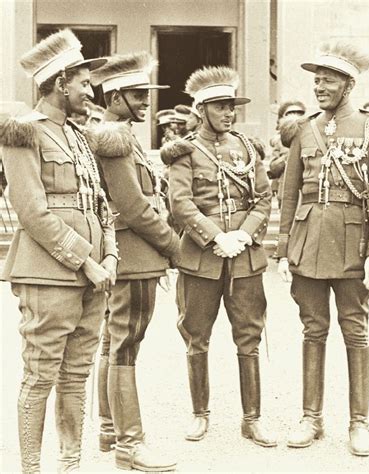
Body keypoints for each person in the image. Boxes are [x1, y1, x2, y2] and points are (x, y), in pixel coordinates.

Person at [276, 40, 369, 455]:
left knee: (355, 330)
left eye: (328, 81)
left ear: (349, 85)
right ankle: (311, 418)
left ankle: (359, 422)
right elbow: (290, 191)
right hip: (308, 243)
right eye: (316, 81)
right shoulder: (303, 129)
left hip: (354, 245)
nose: (319, 87)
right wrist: (283, 248)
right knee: (313, 329)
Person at [0, 29, 117, 473]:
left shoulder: (81, 136)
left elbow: (101, 203)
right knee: (40, 374)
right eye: (84, 83)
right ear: (60, 82)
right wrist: (85, 260)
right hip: (49, 273)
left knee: (76, 375)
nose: (91, 91)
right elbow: (32, 211)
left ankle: (70, 466)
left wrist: (108, 258)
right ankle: (32, 469)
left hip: (94, 275)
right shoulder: (22, 133)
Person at [160, 66, 276, 448]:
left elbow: (262, 197)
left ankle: (252, 419)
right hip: (201, 259)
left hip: (244, 256)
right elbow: (180, 204)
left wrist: (243, 233)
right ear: (201, 109)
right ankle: (200, 414)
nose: (229, 113)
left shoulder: (246, 146)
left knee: (249, 336)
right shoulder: (185, 152)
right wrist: (215, 237)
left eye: (232, 107)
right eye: (221, 107)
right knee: (197, 337)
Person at [88, 51, 180, 472]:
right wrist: (176, 249)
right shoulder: (114, 138)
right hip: (135, 256)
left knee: (114, 342)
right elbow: (135, 207)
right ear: (116, 96)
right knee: (126, 347)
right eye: (139, 95)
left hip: (129, 255)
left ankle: (110, 428)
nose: (147, 102)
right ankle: (130, 443)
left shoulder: (119, 133)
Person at [268, 100, 306, 208]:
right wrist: (288, 157)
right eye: (290, 113)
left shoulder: (310, 138)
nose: (295, 116)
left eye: (300, 113)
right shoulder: (279, 141)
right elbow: (273, 167)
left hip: (307, 192)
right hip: (286, 190)